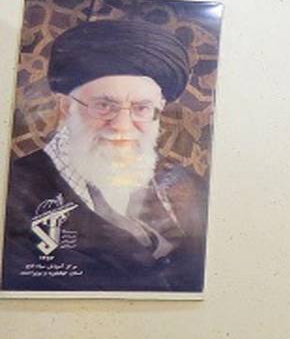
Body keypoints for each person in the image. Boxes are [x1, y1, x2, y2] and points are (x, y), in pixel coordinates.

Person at [2, 19, 208, 293]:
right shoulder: (14, 192)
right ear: (66, 107)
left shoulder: (188, 189)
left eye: (141, 108)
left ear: (158, 109)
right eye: (103, 105)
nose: (122, 126)